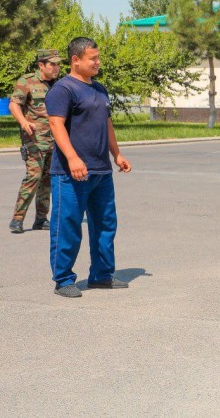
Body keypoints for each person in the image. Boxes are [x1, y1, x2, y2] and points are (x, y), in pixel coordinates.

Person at [45, 37, 132, 298]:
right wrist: (72, 158)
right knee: (67, 225)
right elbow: (56, 125)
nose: (98, 62)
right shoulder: (63, 90)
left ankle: (101, 275)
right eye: (93, 58)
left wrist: (116, 154)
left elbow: (107, 125)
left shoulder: (100, 89)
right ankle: (63, 279)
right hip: (70, 173)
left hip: (101, 171)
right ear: (76, 60)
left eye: (98, 57)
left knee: (106, 224)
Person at [8, 50, 62, 234]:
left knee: (47, 178)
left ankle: (41, 219)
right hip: (34, 139)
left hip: (55, 139)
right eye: (52, 64)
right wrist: (23, 122)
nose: (56, 68)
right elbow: (14, 105)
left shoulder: (60, 84)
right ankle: (17, 219)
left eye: (58, 64)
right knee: (34, 176)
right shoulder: (27, 81)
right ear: (41, 65)